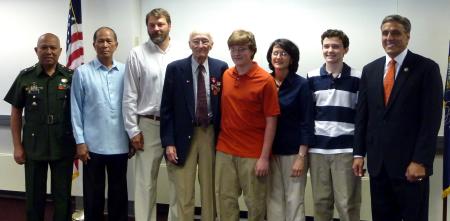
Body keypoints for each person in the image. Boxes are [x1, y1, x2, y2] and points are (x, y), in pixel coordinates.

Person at [353, 14, 443, 221]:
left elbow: (430, 120)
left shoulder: (426, 68)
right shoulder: (370, 70)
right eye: (385, 33)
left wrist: (420, 160)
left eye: (395, 32)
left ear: (407, 36)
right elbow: (362, 117)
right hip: (378, 166)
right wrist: (358, 153)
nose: (389, 37)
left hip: (410, 166)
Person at [4, 33, 75, 221]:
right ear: (37, 51)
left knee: (63, 197)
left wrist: (79, 143)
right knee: (34, 196)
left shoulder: (70, 77)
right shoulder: (25, 77)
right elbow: (16, 113)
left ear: (60, 51)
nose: (49, 51)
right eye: (44, 47)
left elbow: (79, 113)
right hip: (34, 146)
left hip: (63, 145)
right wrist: (17, 146)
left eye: (53, 47)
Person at [160, 31, 228, 221]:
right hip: (182, 136)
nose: (200, 45)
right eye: (196, 41)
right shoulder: (175, 68)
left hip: (210, 134)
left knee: (210, 190)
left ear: (211, 44)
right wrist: (169, 142)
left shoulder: (221, 68)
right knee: (184, 190)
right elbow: (166, 109)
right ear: (189, 44)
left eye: (204, 41)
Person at [215, 29, 280, 221]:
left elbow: (271, 120)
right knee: (225, 202)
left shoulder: (265, 80)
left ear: (252, 50)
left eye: (241, 48)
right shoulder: (226, 75)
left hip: (253, 154)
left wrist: (264, 157)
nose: (236, 53)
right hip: (224, 151)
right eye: (233, 49)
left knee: (256, 204)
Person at [122, 8, 179, 221]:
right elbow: (129, 95)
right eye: (152, 25)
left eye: (160, 24)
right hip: (148, 125)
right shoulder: (137, 54)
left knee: (178, 181)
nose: (156, 28)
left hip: (176, 125)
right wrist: (132, 130)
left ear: (169, 25)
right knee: (145, 183)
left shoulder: (183, 51)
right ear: (147, 27)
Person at [71, 27, 131, 221]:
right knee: (93, 196)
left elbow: (131, 106)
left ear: (116, 44)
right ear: (94, 44)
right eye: (100, 41)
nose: (105, 45)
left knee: (119, 195)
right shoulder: (82, 72)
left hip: (120, 144)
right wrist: (80, 142)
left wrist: (132, 136)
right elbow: (76, 110)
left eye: (109, 41)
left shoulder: (126, 71)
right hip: (92, 147)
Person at [307, 29, 361, 221]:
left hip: (345, 151)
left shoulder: (358, 77)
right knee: (321, 204)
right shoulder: (311, 77)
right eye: (326, 46)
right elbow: (308, 115)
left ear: (345, 49)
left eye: (336, 46)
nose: (330, 50)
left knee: (347, 204)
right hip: (318, 151)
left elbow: (362, 118)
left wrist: (359, 153)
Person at [265, 39, 314, 221]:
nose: (279, 57)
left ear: (292, 59)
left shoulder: (301, 84)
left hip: (293, 153)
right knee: (273, 199)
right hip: (268, 152)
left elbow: (306, 121)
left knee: (294, 199)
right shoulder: (264, 80)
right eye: (276, 53)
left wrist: (301, 157)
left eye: (284, 53)